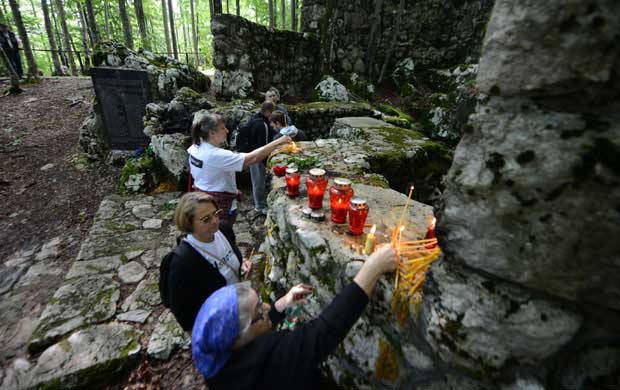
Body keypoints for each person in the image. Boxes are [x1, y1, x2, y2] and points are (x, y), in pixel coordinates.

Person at [192, 244, 398, 389]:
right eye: (260, 311)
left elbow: (254, 323)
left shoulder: (218, 359)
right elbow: (323, 332)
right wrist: (373, 268)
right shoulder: (269, 361)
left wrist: (284, 302)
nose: (266, 306)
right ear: (238, 336)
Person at [162, 192, 251, 332]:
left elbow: (230, 254)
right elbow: (182, 311)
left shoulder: (223, 230)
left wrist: (242, 262)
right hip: (217, 324)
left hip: (238, 307)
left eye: (216, 213)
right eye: (206, 219)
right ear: (188, 223)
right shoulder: (182, 262)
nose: (215, 221)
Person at [188, 111, 291, 226]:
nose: (227, 131)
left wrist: (231, 189)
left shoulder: (195, 147)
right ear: (212, 133)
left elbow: (206, 173)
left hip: (202, 199)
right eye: (223, 128)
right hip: (220, 206)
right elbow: (253, 158)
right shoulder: (216, 155)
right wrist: (279, 141)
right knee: (222, 232)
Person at [235, 102, 277, 215]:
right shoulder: (262, 125)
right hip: (258, 157)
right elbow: (263, 145)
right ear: (268, 112)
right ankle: (260, 206)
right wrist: (266, 162)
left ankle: (257, 203)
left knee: (256, 181)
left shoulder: (254, 118)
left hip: (250, 153)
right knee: (258, 181)